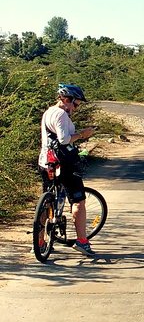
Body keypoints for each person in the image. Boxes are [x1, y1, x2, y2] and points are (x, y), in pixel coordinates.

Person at [38, 83, 97, 256]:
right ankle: (82, 241)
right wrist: (82, 135)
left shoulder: (48, 112)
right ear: (66, 99)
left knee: (47, 202)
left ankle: (40, 241)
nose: (76, 108)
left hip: (46, 162)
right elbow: (64, 140)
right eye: (76, 104)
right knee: (78, 201)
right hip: (63, 164)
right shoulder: (61, 114)